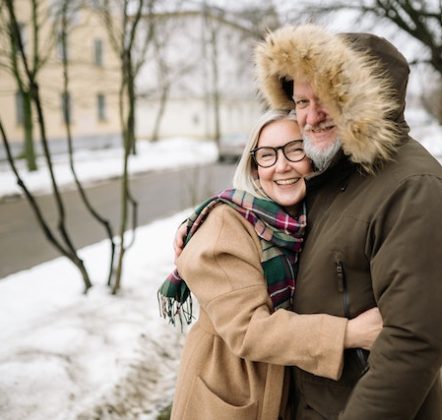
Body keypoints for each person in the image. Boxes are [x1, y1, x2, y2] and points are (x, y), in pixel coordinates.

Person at [252, 24, 442, 419]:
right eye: (300, 102)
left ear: (367, 101)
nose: (311, 117)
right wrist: (206, 224)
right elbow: (264, 211)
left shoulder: (415, 190)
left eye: (327, 99)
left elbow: (412, 346)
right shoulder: (328, 173)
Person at [162, 109, 383, 420]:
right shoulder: (226, 226)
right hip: (227, 391)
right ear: (254, 169)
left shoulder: (301, 220)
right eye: (267, 155)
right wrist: (349, 334)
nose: (281, 166)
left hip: (281, 390)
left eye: (295, 149)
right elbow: (249, 330)